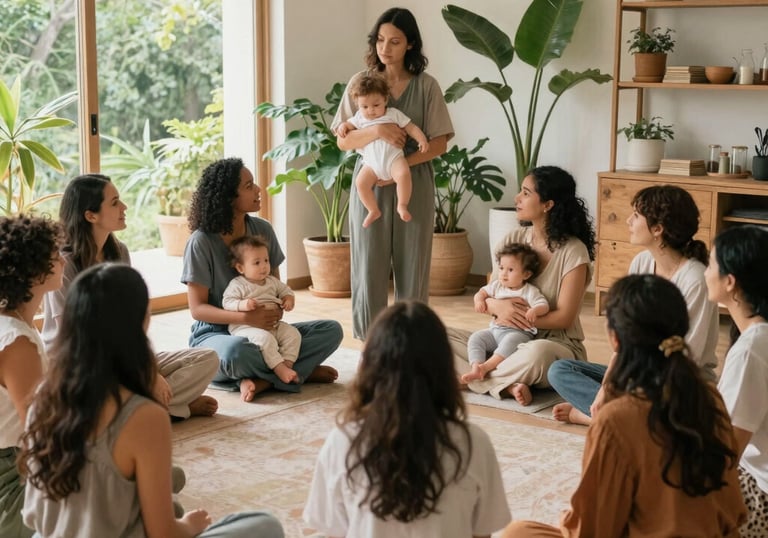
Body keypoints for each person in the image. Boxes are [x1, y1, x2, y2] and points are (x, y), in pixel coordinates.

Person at [20, 264, 285, 538]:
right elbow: (164, 533)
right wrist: (190, 527)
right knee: (263, 525)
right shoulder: (142, 416)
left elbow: (33, 515)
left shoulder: (44, 397)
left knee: (173, 478)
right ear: (140, 322)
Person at [503, 274, 746, 537]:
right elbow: (733, 509)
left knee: (518, 532)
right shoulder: (710, 396)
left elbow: (594, 528)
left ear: (615, 341)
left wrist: (567, 522)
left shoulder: (617, 420)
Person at [304, 301, 511, 537]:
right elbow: (482, 532)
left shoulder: (343, 440)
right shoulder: (473, 441)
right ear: (444, 368)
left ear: (370, 367)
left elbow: (333, 531)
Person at [42, 174, 219, 420]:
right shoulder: (64, 262)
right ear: (90, 215)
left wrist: (147, 369)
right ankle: (175, 407)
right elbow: (74, 335)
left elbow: (130, 321)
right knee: (100, 389)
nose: (124, 207)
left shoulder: (119, 252)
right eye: (114, 203)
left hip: (121, 357)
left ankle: (139, 409)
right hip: (81, 363)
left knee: (207, 358)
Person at [549, 185, 719, 426]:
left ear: (658, 229)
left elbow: (688, 357)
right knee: (560, 370)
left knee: (662, 405)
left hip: (680, 383)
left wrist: (631, 387)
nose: (629, 220)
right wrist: (605, 389)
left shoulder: (695, 278)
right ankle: (615, 416)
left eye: (637, 215)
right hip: (636, 373)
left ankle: (599, 418)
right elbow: (623, 342)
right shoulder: (642, 262)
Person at [332, 7, 454, 339]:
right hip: (369, 183)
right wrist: (379, 131)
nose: (385, 48)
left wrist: (397, 169)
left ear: (411, 45)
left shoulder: (427, 86)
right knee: (368, 264)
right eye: (380, 40)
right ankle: (370, 344)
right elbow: (344, 142)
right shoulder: (361, 83)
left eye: (395, 41)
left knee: (413, 267)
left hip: (411, 183)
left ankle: (412, 342)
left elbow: (440, 143)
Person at [182, 157, 342, 402]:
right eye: (248, 186)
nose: (258, 190)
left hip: (268, 331)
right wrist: (245, 317)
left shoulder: (263, 230)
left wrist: (281, 305)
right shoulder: (201, 242)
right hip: (216, 334)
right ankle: (297, 371)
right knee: (236, 353)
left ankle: (265, 380)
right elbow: (198, 309)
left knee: (331, 330)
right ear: (228, 197)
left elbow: (275, 288)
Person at [448, 166, 595, 406]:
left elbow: (564, 319)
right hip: (500, 339)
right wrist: (497, 306)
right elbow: (491, 292)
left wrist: (517, 318)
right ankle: (506, 385)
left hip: (553, 344)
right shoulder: (512, 240)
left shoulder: (573, 251)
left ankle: (472, 380)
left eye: (526, 193)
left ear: (547, 204)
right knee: (437, 334)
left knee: (538, 355)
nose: (517, 198)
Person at [0, 215, 63, 538]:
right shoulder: (16, 341)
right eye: (55, 255)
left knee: (156, 478)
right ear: (34, 270)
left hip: (18, 461)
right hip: (10, 480)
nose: (63, 261)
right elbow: (39, 433)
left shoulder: (17, 324)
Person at [705, 225, 768, 538]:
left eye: (711, 264)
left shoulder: (752, 349)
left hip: (760, 498)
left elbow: (726, 456)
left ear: (730, 282)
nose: (706, 272)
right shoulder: (758, 335)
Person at [337, 73, 429, 227]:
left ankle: (402, 205)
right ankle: (373, 209)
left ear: (385, 99)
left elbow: (411, 127)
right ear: (357, 104)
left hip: (394, 159)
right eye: (364, 106)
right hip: (371, 165)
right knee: (360, 183)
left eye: (376, 105)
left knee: (404, 174)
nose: (370, 110)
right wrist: (343, 126)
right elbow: (348, 127)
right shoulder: (360, 118)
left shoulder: (393, 114)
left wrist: (422, 139)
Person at [462, 242, 549, 384]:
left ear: (526, 274)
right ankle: (475, 367)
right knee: (476, 338)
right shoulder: (497, 285)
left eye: (510, 270)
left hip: (518, 333)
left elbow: (543, 305)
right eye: (501, 268)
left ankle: (486, 367)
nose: (503, 273)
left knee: (511, 342)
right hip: (495, 331)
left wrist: (534, 310)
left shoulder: (529, 291)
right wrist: (479, 301)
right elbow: (481, 293)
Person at [222, 235, 301, 385]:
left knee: (293, 334)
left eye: (266, 260)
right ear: (240, 268)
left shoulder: (272, 281)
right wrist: (243, 305)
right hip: (246, 327)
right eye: (256, 263)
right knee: (265, 340)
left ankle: (287, 365)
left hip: (274, 325)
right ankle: (279, 369)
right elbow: (227, 302)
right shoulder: (238, 284)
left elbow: (286, 291)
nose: (264, 266)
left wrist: (288, 299)